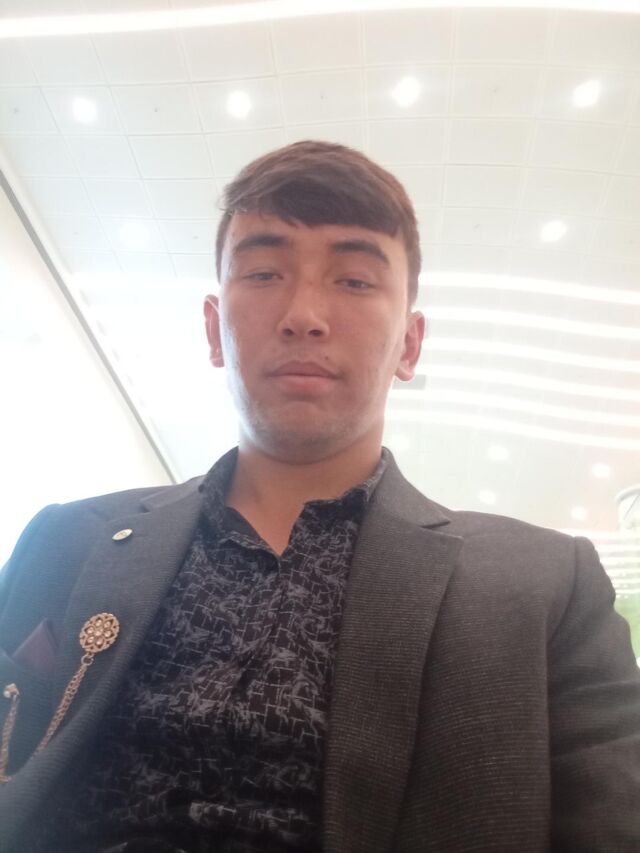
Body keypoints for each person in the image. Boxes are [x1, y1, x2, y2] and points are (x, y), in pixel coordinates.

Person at [0, 140, 638, 853]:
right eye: (264, 273)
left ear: (410, 344)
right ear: (213, 328)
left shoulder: (545, 586)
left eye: (355, 281)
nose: (304, 314)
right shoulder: (67, 540)